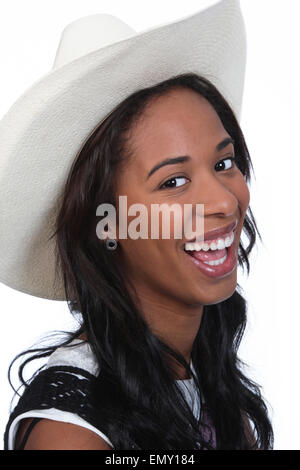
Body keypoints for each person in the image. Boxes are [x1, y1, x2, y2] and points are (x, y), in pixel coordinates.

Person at [1, 1, 274, 450]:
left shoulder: (205, 380)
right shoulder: (69, 433)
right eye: (174, 181)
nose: (225, 200)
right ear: (105, 224)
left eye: (224, 162)